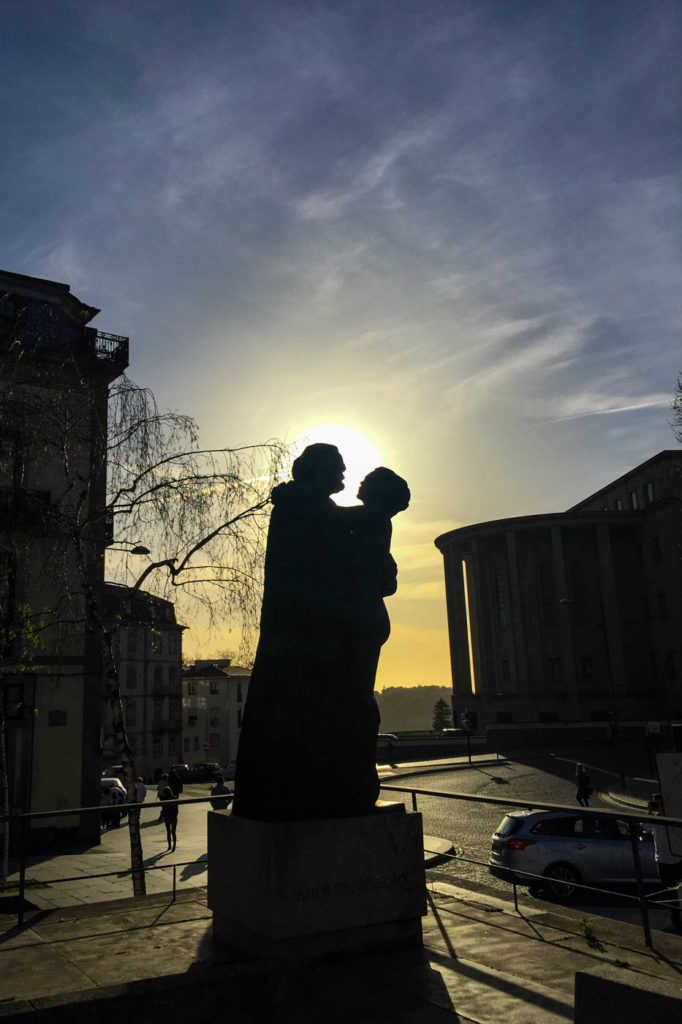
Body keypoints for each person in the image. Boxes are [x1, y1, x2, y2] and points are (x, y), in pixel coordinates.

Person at [648, 796, 682, 929]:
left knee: (673, 892)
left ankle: (676, 919)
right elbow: (645, 826)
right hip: (664, 861)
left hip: (675, 860)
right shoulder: (655, 820)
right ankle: (676, 920)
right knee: (670, 893)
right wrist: (649, 812)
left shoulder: (672, 818)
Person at [159, 784, 178, 851]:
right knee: (173, 832)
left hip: (167, 817)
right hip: (174, 817)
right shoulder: (174, 798)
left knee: (168, 832)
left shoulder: (164, 800)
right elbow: (176, 809)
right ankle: (174, 846)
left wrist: (160, 817)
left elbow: (163, 810)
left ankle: (169, 846)